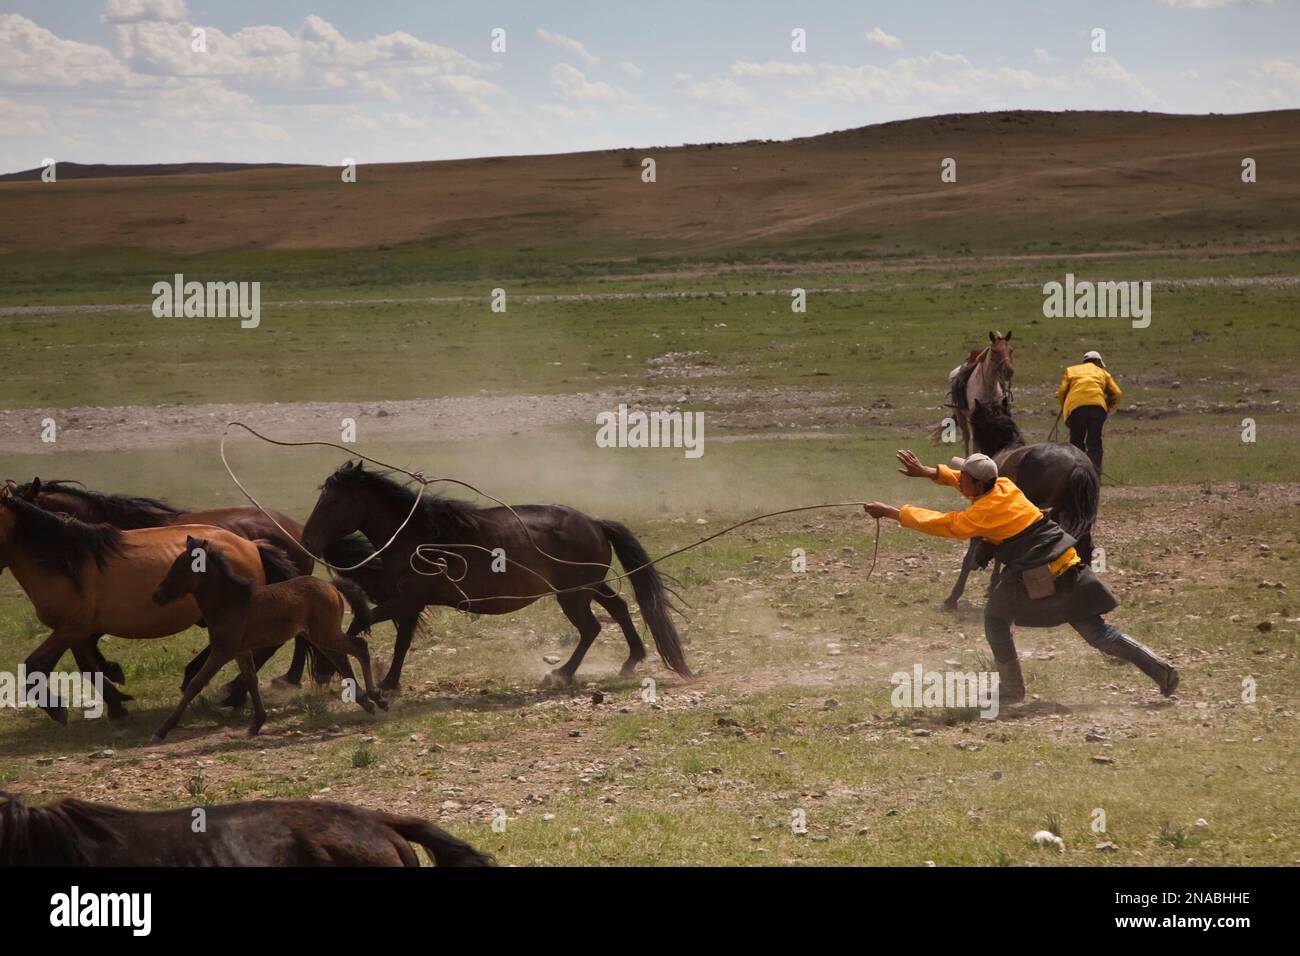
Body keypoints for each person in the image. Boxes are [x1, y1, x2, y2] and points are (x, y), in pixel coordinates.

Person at [863, 450, 1178, 704]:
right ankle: (1160, 670)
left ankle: (1012, 689)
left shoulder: (982, 512)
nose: (960, 483)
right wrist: (930, 472)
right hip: (1066, 561)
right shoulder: (1005, 487)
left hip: (1040, 572)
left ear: (978, 484)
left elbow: (945, 524)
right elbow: (963, 480)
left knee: (995, 619)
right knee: (1097, 632)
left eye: (965, 480)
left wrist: (891, 512)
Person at [1057, 350, 1121, 472]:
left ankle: (1077, 474)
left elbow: (1061, 392)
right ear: (1097, 361)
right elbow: (1117, 393)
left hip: (1076, 409)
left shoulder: (1071, 370)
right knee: (1095, 442)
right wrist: (1106, 406)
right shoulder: (1103, 373)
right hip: (1097, 408)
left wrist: (1065, 405)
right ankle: (1095, 475)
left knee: (1076, 442)